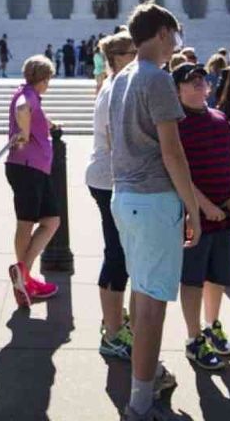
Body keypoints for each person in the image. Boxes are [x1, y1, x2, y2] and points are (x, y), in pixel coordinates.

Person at [108, 1, 199, 421]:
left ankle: (147, 382)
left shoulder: (120, 78)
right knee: (151, 308)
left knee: (142, 295)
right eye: (174, 35)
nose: (176, 45)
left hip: (125, 198)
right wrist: (193, 207)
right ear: (162, 32)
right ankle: (140, 404)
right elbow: (173, 152)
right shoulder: (157, 80)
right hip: (154, 199)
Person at [173, 62, 230, 372]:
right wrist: (201, 207)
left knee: (219, 275)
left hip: (227, 213)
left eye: (202, 80)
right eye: (192, 82)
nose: (200, 86)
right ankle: (193, 338)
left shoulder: (220, 118)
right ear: (177, 91)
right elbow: (179, 172)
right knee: (192, 278)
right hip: (195, 218)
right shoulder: (174, 124)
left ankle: (212, 324)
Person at [87, 31, 137, 359]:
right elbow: (116, 139)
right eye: (133, 52)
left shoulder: (115, 85)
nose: (138, 56)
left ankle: (115, 320)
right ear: (118, 57)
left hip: (110, 177)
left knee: (120, 254)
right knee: (117, 255)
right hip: (110, 179)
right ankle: (112, 330)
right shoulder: (114, 88)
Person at [6, 55, 62, 306]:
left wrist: (50, 124)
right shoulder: (26, 96)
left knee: (51, 221)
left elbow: (33, 112)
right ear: (44, 78)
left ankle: (23, 273)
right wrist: (25, 134)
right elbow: (22, 109)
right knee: (26, 223)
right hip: (27, 167)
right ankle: (24, 277)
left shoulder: (30, 94)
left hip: (35, 168)